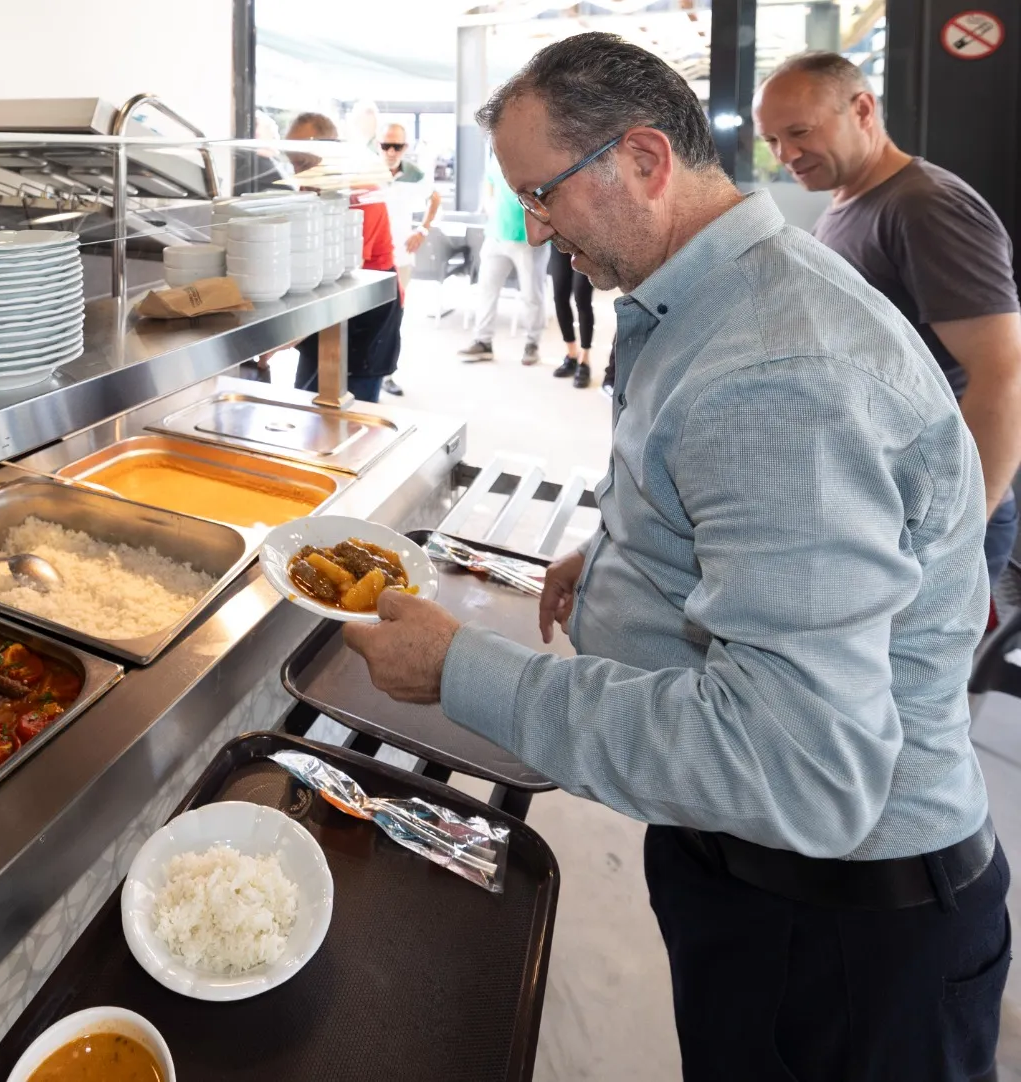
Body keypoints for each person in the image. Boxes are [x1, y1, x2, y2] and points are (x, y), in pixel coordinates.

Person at [346, 33, 1005, 1082]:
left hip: (834, 928)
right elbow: (718, 499)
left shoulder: (775, 370)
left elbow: (798, 765)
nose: (538, 224)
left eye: (546, 193)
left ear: (646, 161)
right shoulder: (722, 295)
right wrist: (617, 555)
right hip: (756, 872)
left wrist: (456, 669)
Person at [755, 53, 1021, 588]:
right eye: (773, 141)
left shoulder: (926, 207)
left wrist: (956, 530)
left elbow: (1004, 371)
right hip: (885, 505)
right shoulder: (848, 204)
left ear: (863, 109)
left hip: (930, 517)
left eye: (800, 132)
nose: (787, 154)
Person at [280, 112, 401, 404]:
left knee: (357, 416)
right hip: (324, 306)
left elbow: (347, 272)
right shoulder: (310, 185)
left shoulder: (362, 192)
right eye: (293, 163)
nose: (297, 174)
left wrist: (292, 330)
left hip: (368, 309)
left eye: (303, 163)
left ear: (329, 151)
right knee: (308, 407)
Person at [457, 153, 549, 365]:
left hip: (528, 239)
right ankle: (483, 342)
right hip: (496, 235)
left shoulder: (538, 153)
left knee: (531, 295)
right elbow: (488, 182)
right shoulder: (497, 153)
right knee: (486, 291)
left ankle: (532, 343)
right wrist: (489, 207)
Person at [378, 122, 441, 397]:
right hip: (367, 257)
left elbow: (434, 198)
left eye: (398, 146)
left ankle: (387, 373)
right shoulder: (368, 170)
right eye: (386, 145)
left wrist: (423, 229)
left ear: (406, 147)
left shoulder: (414, 174)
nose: (391, 151)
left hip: (400, 257)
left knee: (395, 316)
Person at [548, 248, 595, 387]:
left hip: (586, 243)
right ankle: (571, 355)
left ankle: (584, 361)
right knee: (559, 296)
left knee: (582, 297)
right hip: (560, 240)